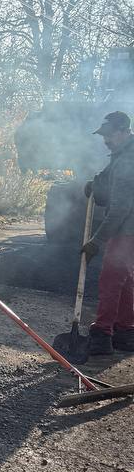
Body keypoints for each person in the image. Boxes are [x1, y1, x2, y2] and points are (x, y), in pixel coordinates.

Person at [81, 110, 134, 356]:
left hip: (127, 230)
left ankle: (103, 334)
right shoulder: (122, 155)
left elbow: (120, 208)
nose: (105, 139)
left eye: (110, 134)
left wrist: (97, 240)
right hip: (128, 228)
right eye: (103, 135)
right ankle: (125, 332)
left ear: (124, 131)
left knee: (111, 278)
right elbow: (110, 187)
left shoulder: (127, 162)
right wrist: (97, 184)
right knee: (124, 279)